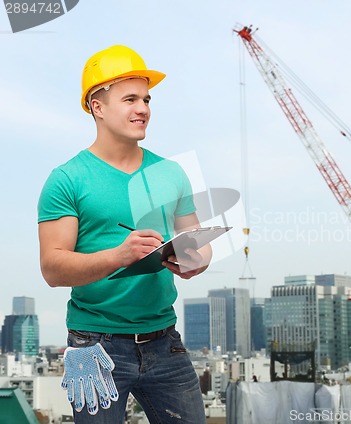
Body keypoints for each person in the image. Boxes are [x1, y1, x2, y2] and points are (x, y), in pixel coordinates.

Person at [37, 45, 210, 423]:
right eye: (130, 98)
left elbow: (197, 240)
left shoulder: (172, 173)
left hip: (165, 340)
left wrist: (194, 258)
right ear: (98, 107)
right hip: (92, 345)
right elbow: (52, 268)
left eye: (146, 99)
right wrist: (120, 254)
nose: (143, 108)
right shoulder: (67, 179)